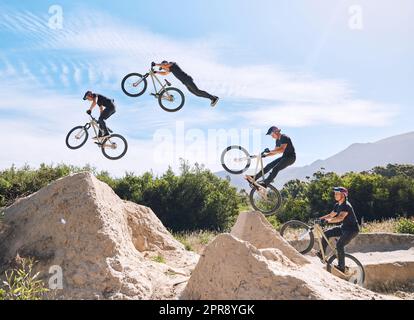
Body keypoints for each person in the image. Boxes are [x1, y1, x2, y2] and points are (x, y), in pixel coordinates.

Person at [319, 187, 360, 273]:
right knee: (326, 233)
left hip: (352, 230)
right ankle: (321, 253)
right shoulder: (337, 205)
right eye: (335, 193)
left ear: (343, 195)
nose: (335, 195)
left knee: (339, 245)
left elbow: (340, 218)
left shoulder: (346, 206)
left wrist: (327, 221)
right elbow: (331, 215)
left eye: (337, 194)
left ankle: (342, 267)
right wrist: (320, 219)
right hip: (344, 228)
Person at [152, 61, 219, 107]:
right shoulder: (170, 69)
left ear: (165, 63)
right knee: (197, 94)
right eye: (163, 68)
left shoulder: (172, 64)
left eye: (163, 67)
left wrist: (155, 64)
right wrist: (156, 72)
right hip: (185, 82)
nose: (164, 69)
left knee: (197, 91)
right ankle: (212, 98)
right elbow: (165, 73)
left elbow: (165, 65)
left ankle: (213, 98)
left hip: (187, 79)